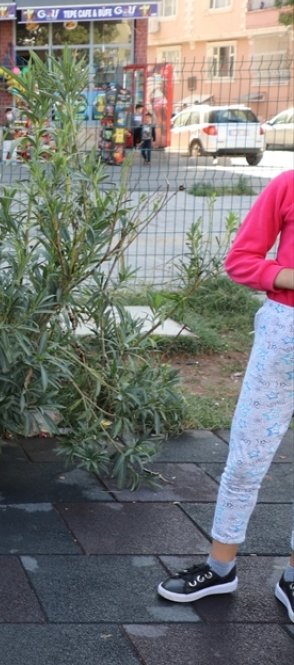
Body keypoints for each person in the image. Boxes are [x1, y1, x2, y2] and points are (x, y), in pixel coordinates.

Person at [155, 170, 294, 624]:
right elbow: (241, 261)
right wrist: (287, 275)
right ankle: (220, 568)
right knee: (246, 457)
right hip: (283, 335)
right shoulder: (288, 184)